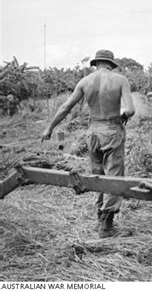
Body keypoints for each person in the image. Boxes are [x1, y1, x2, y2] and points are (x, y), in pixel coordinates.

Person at [41, 49, 135, 238]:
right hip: (112, 130)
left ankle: (100, 218)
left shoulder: (85, 82)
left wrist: (49, 128)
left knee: (98, 176)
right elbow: (131, 110)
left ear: (96, 64)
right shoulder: (120, 80)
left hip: (92, 132)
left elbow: (66, 107)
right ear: (111, 64)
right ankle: (107, 227)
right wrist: (123, 116)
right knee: (114, 178)